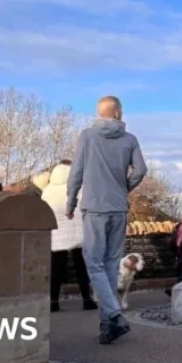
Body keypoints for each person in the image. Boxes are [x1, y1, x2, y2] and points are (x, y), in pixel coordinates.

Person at [66, 96, 147, 345]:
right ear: (119, 113)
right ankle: (107, 327)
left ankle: (114, 315)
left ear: (99, 113)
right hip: (118, 208)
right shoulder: (130, 139)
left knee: (94, 264)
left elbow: (76, 171)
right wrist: (123, 188)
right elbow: (141, 170)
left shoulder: (87, 136)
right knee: (111, 267)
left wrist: (70, 202)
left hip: (95, 208)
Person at [42, 160, 96, 313]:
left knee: (56, 269)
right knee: (82, 267)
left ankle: (53, 302)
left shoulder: (48, 191)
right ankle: (87, 300)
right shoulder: (79, 187)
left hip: (57, 234)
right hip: (79, 233)